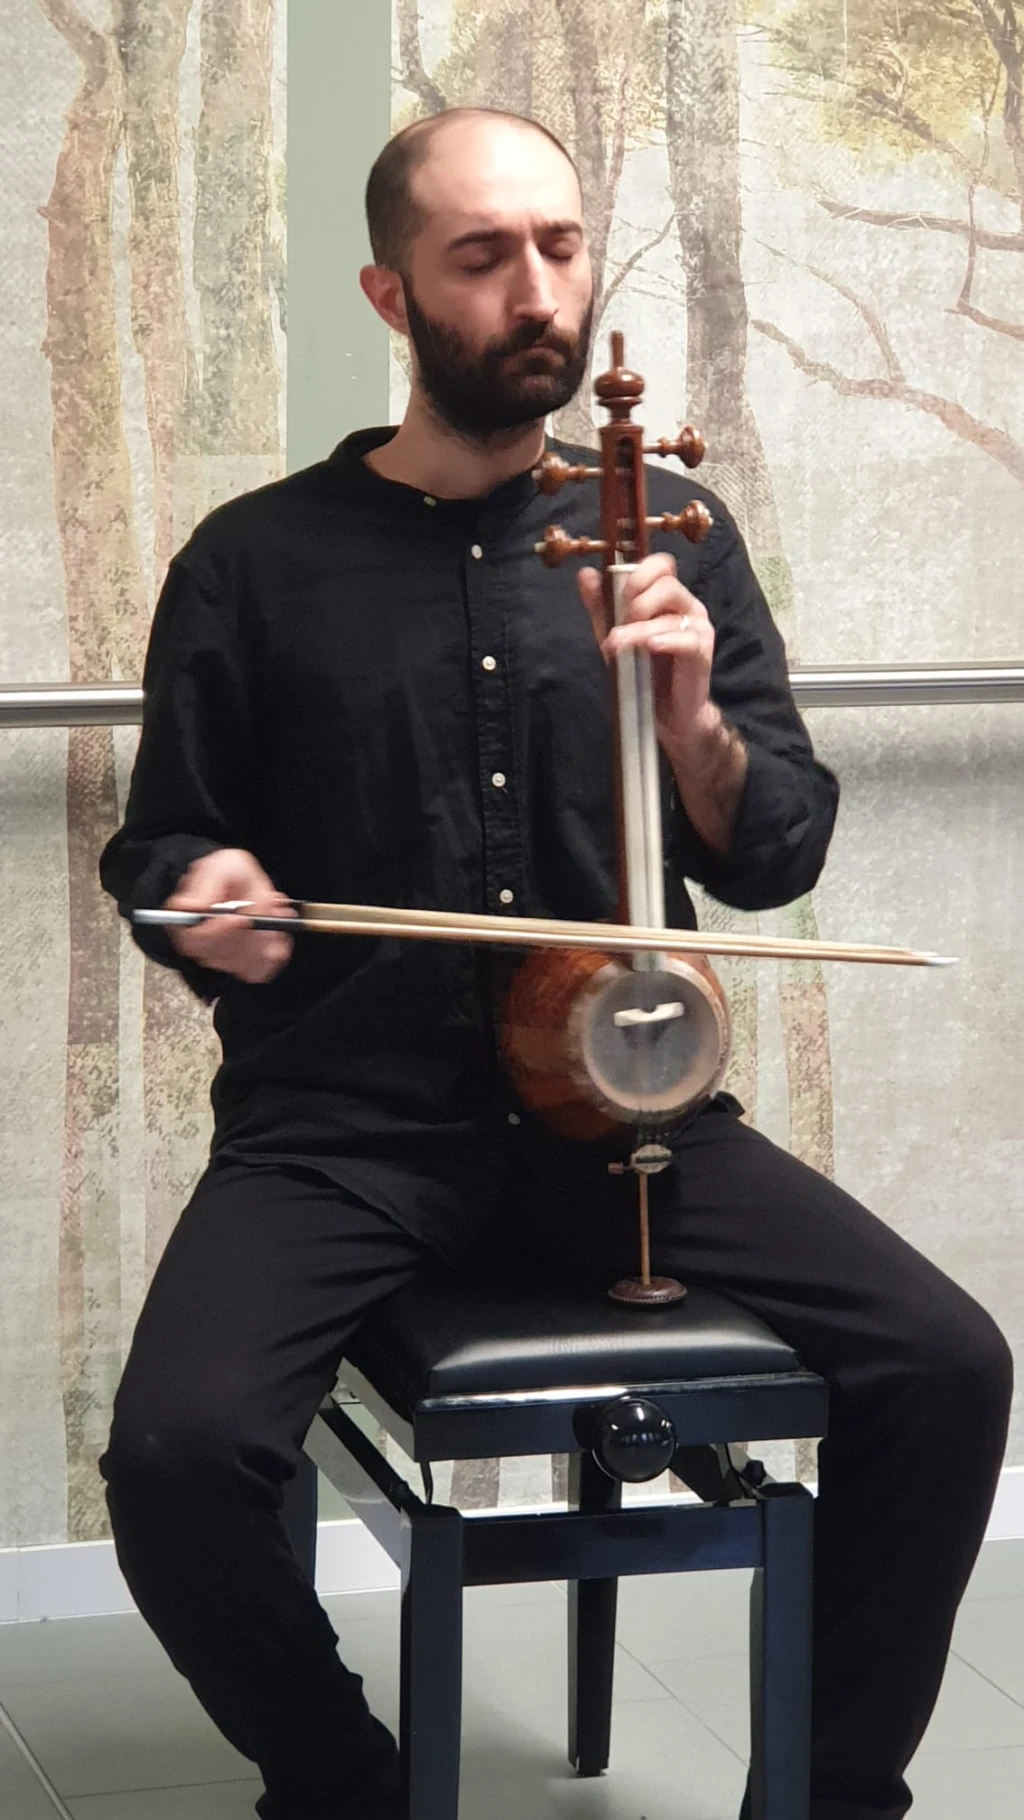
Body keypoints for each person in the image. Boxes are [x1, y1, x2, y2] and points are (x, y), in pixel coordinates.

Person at [99, 107, 1012, 1820]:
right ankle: (345, 1786)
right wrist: (202, 893)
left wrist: (693, 725)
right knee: (173, 1456)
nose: (537, 290)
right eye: (482, 255)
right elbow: (160, 853)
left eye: (561, 245)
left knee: (949, 1365)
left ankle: (830, 1796)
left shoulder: (675, 532)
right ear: (392, 294)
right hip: (340, 1132)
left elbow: (777, 851)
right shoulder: (253, 562)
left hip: (630, 1126)